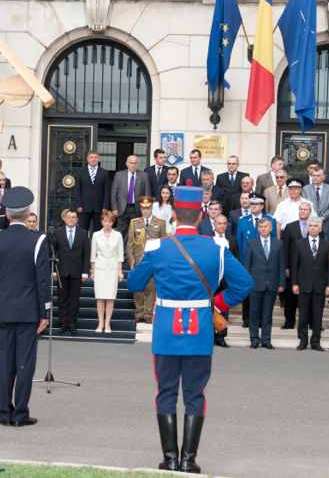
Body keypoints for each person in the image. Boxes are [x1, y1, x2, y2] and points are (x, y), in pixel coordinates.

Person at [127, 185, 252, 474]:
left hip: (167, 330)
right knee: (195, 393)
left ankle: (169, 459)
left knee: (166, 391)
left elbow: (134, 284)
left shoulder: (159, 248)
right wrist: (217, 302)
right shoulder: (217, 248)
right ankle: (188, 460)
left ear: (173, 213)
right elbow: (244, 284)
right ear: (201, 216)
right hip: (200, 330)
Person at [0, 186, 50, 428]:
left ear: (8, 214)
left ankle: (4, 411)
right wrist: (45, 312)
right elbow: (42, 281)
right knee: (25, 363)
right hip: (28, 312)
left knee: (2, 363)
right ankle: (20, 412)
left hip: (2, 310)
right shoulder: (38, 240)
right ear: (27, 212)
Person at [291, 217, 329, 351]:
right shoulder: (299, 244)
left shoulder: (326, 244)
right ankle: (303, 341)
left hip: (320, 286)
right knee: (303, 315)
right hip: (304, 285)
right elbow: (295, 266)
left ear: (320, 229)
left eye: (316, 226)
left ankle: (316, 342)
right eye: (311, 226)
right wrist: (295, 283)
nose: (313, 228)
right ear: (307, 228)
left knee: (317, 315)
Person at [245, 218, 285, 349]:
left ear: (271, 228)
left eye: (266, 226)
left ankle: (266, 340)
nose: (263, 229)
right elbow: (247, 265)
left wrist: (281, 283)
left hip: (272, 284)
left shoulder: (278, 244)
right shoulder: (251, 243)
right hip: (255, 284)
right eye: (261, 226)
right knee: (254, 313)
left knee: (267, 314)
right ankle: (254, 339)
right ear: (258, 229)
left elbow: (281, 265)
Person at [127, 197, 166, 324]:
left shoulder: (160, 223)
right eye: (143, 208)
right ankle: (139, 313)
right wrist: (131, 261)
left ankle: (148, 314)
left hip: (153, 261)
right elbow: (130, 244)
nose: (145, 211)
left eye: (148, 208)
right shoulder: (134, 222)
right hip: (139, 260)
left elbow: (163, 244)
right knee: (138, 288)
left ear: (151, 208)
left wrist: (161, 263)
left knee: (151, 288)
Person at [51, 209, 90, 335]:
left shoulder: (83, 233)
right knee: (62, 299)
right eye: (69, 217)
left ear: (77, 219)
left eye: (74, 217)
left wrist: (85, 272)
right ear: (64, 219)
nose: (71, 219)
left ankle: (73, 324)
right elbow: (53, 253)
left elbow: (86, 254)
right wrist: (53, 271)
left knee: (74, 299)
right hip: (61, 271)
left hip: (77, 272)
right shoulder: (57, 233)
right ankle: (63, 323)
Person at [280, 201, 315, 330]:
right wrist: (286, 267)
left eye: (305, 209)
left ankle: (311, 322)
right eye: (301, 209)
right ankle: (289, 322)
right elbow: (285, 248)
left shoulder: (315, 225)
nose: (302, 211)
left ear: (310, 211)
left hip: (310, 269)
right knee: (290, 297)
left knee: (310, 297)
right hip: (293, 268)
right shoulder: (290, 227)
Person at [91, 211, 125, 333]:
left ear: (113, 222)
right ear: (101, 221)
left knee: (110, 298)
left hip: (113, 268)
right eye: (105, 221)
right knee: (100, 298)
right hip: (100, 267)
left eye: (110, 221)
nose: (107, 223)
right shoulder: (95, 235)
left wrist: (120, 271)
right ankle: (100, 323)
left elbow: (120, 254)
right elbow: (93, 255)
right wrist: (93, 270)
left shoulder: (118, 235)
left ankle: (107, 324)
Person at [211, 215, 238, 348]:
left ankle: (221, 337)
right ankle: (210, 336)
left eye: (224, 223)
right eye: (219, 223)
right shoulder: (208, 239)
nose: (221, 226)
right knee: (209, 308)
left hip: (226, 280)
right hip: (211, 279)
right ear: (214, 225)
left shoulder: (232, 240)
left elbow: (236, 260)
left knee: (224, 307)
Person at [110, 155, 151, 237]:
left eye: (135, 163)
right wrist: (114, 208)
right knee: (121, 232)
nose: (133, 165)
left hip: (137, 209)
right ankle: (122, 250)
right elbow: (114, 193)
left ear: (138, 164)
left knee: (136, 233)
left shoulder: (144, 176)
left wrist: (146, 210)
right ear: (127, 164)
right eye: (131, 163)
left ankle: (133, 250)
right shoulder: (119, 175)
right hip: (122, 209)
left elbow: (147, 194)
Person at [236, 195, 277, 270]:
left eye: (256, 204)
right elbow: (240, 243)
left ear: (262, 206)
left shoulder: (271, 220)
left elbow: (274, 241)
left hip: (265, 262)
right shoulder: (242, 221)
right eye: (251, 204)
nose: (253, 206)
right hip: (248, 262)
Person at [74, 150, 110, 233]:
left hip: (99, 208)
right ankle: (84, 246)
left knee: (98, 232)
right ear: (87, 159)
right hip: (83, 207)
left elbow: (107, 191)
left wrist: (105, 206)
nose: (93, 159)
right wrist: (78, 204)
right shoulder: (80, 172)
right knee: (82, 231)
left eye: (95, 157)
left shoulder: (104, 173)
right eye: (91, 157)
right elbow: (77, 190)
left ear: (98, 159)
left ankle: (95, 246)